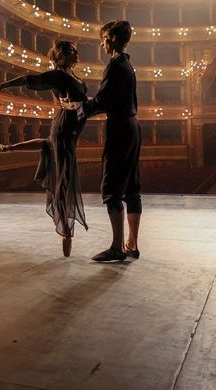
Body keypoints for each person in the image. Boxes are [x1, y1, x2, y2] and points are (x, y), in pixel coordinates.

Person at [0, 40, 88, 257]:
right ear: (61, 55)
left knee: (49, 146)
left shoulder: (73, 76)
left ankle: (7, 147)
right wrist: (0, 86)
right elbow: (30, 79)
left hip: (69, 128)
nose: (76, 53)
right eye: (70, 51)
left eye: (75, 50)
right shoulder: (58, 75)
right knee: (63, 178)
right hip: (64, 127)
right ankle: (65, 231)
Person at [81, 20, 142, 262]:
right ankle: (132, 245)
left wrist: (80, 110)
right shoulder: (128, 65)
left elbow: (103, 100)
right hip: (132, 125)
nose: (102, 43)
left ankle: (117, 248)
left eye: (104, 38)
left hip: (119, 127)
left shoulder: (115, 65)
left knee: (112, 188)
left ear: (114, 38)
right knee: (132, 189)